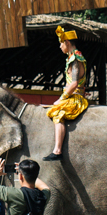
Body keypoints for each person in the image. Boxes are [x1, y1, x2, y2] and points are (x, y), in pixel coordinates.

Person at [44, 26, 88, 161]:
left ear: (67, 43)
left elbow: (74, 84)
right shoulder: (77, 57)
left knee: (57, 113)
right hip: (76, 95)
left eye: (61, 43)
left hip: (74, 98)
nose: (60, 47)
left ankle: (57, 151)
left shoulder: (75, 59)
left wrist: (61, 99)